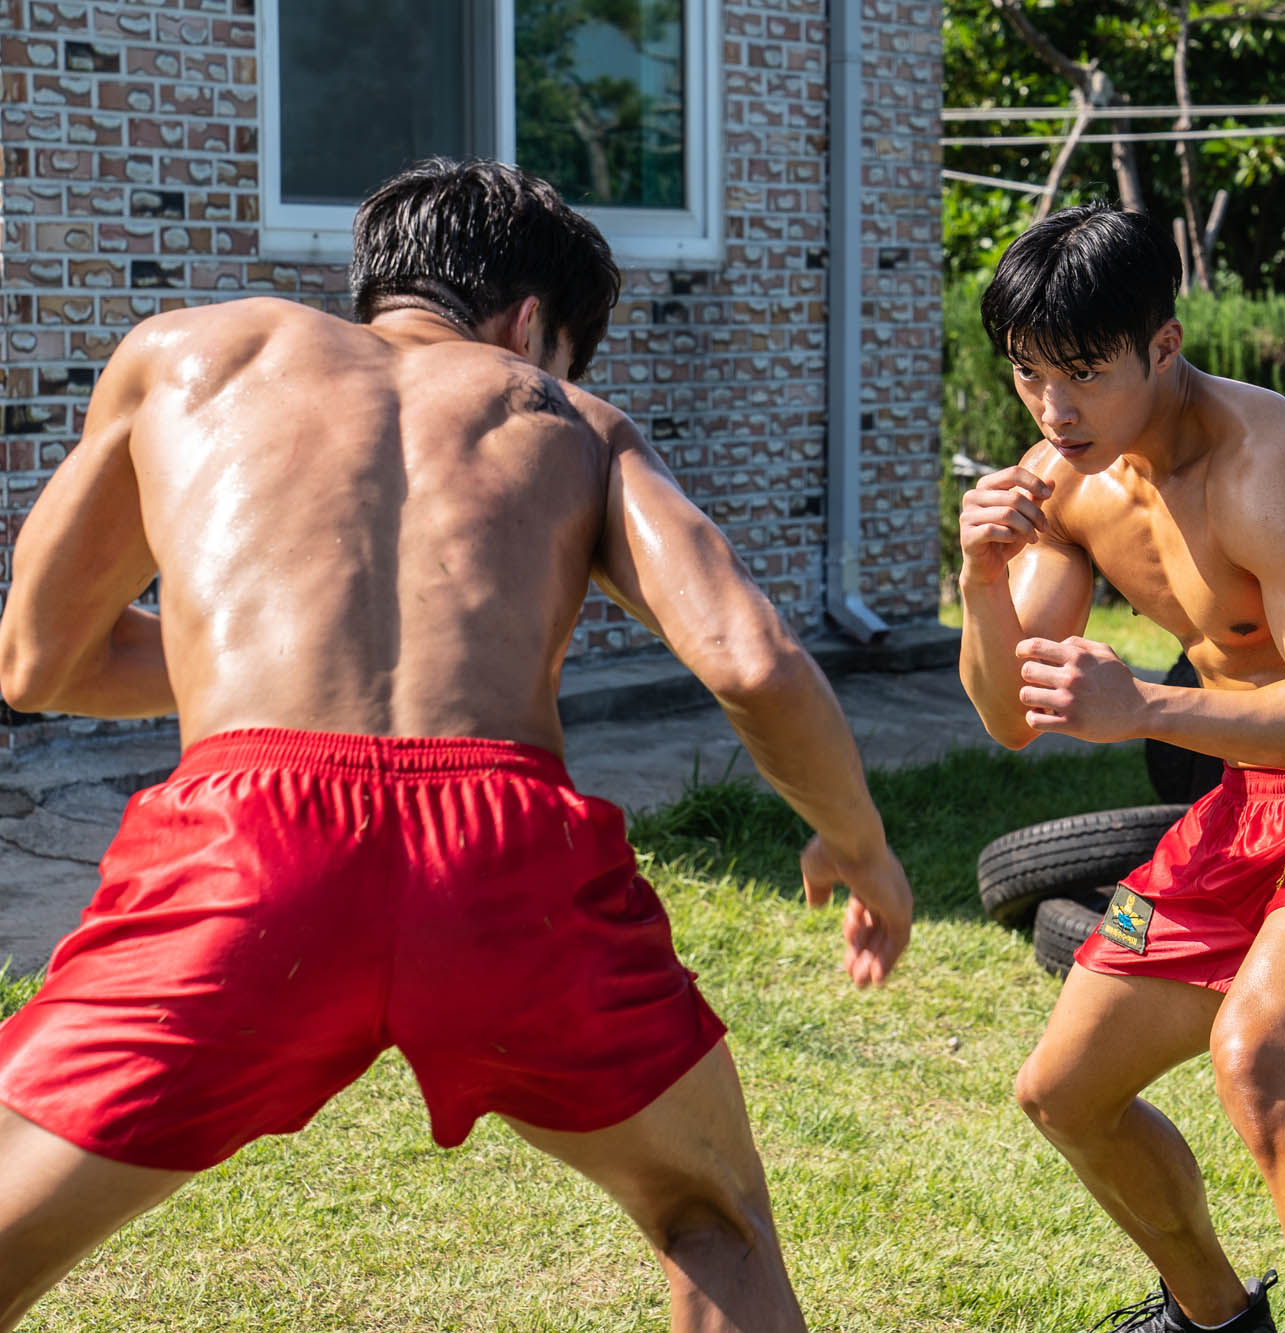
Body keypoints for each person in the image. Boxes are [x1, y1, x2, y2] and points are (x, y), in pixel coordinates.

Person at [0, 158, 913, 1333]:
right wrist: (860, 844)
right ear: (532, 325)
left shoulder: (183, 353)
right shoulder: (567, 418)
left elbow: (38, 662)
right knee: (709, 1219)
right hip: (504, 852)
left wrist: (265, 677)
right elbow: (750, 658)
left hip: (243, 850)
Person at [956, 202, 1285, 1333]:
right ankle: (1213, 1319)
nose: (1053, 411)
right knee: (1063, 1094)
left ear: (1163, 344)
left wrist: (1143, 702)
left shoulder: (1269, 466)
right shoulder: (1065, 480)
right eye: (1027, 376)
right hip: (1247, 801)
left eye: (1082, 376)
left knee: (1262, 1062)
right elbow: (1009, 717)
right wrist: (978, 580)